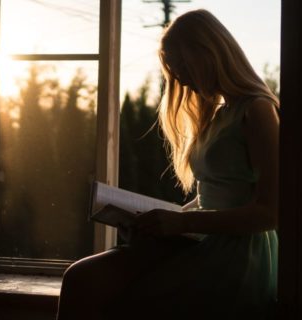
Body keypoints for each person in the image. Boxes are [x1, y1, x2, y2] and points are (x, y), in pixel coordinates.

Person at [56, 9, 280, 320]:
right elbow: (211, 197)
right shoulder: (219, 115)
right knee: (82, 277)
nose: (182, 80)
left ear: (209, 53)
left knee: (99, 289)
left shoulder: (258, 110)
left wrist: (181, 223)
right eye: (175, 73)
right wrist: (152, 223)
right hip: (204, 239)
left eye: (184, 67)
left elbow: (270, 213)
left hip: (238, 256)